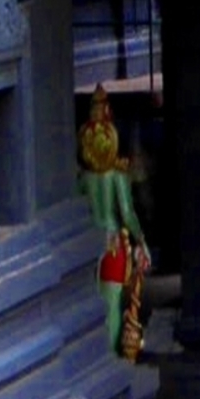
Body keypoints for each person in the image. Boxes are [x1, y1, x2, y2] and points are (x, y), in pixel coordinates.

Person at [78, 92, 150, 358]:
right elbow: (128, 214)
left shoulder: (83, 178)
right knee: (112, 305)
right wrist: (141, 240)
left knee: (91, 303)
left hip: (88, 243)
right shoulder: (116, 176)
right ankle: (110, 357)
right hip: (112, 246)